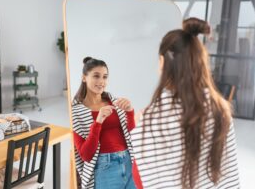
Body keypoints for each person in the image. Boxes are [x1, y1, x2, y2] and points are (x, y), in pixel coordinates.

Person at [132, 18, 240, 189]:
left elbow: (143, 180)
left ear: (162, 62)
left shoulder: (148, 119)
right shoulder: (220, 109)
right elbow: (229, 175)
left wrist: (138, 124)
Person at [72, 57, 142, 189]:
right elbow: (86, 155)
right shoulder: (75, 112)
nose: (101, 81)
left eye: (105, 77)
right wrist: (98, 122)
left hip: (128, 161)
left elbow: (132, 137)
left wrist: (129, 112)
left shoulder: (115, 102)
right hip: (105, 168)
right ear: (84, 78)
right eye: (96, 76)